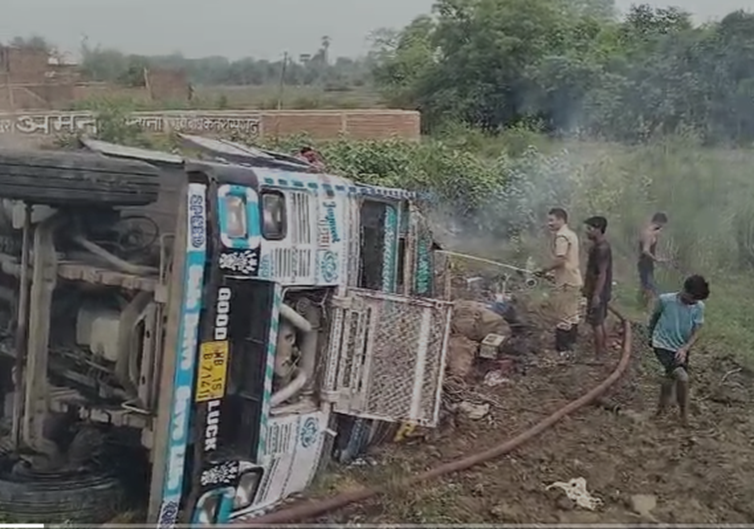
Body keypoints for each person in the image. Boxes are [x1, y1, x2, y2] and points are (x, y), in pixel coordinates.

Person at [648, 274, 709, 426]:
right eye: (692, 298)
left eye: (697, 300)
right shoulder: (665, 300)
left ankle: (660, 411)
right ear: (684, 291)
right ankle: (684, 417)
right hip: (662, 344)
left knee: (669, 378)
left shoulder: (698, 307)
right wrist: (650, 337)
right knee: (682, 378)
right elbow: (654, 318)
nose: (693, 302)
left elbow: (696, 331)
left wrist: (685, 348)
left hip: (681, 346)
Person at [537, 208, 583, 355]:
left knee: (563, 316)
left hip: (566, 282)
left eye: (552, 220)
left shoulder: (562, 236)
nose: (549, 223)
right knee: (573, 313)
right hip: (574, 278)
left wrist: (544, 270)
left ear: (561, 219)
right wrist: (552, 273)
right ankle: (572, 343)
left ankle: (563, 350)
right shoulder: (572, 234)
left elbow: (561, 259)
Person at [583, 216, 613, 357]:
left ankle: (599, 356)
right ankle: (604, 349)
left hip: (599, 292)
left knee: (596, 324)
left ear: (598, 230)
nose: (586, 231)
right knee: (600, 321)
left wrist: (596, 295)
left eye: (589, 229)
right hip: (600, 291)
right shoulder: (597, 247)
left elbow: (602, 274)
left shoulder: (602, 249)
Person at [638, 212, 668, 310]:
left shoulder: (649, 232)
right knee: (650, 286)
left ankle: (642, 306)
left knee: (646, 284)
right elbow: (645, 251)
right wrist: (657, 259)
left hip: (646, 262)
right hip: (644, 263)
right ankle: (648, 308)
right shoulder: (649, 234)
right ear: (659, 222)